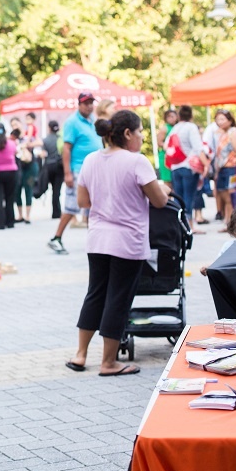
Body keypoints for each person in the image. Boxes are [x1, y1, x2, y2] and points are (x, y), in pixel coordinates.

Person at [65, 110, 170, 376]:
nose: (142, 137)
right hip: (127, 241)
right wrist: (163, 188)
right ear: (127, 134)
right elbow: (159, 201)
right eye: (140, 132)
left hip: (98, 238)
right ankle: (109, 362)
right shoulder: (137, 162)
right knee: (118, 298)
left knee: (95, 294)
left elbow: (83, 202)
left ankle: (80, 355)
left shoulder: (90, 160)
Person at [47, 92, 103, 254]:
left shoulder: (92, 119)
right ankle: (56, 238)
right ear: (79, 104)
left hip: (94, 170)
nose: (89, 106)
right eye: (86, 103)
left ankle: (95, 241)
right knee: (72, 206)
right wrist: (67, 173)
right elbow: (66, 148)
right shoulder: (72, 122)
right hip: (79, 170)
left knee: (92, 208)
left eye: (91, 103)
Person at [168, 105, 205, 234]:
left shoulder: (174, 129)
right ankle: (189, 226)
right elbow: (198, 148)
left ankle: (179, 225)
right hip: (189, 167)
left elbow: (167, 146)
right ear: (191, 115)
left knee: (178, 197)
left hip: (175, 167)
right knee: (189, 197)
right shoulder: (191, 127)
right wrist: (205, 165)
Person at [213, 109, 236, 231]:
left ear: (230, 120)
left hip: (232, 168)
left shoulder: (234, 132)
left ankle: (232, 223)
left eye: (222, 119)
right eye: (218, 119)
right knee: (224, 196)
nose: (219, 122)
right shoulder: (220, 133)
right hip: (222, 168)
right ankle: (228, 221)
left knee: (231, 196)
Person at [13, 127, 38, 224]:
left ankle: (27, 216)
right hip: (19, 169)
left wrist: (27, 144)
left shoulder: (30, 139)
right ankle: (20, 215)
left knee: (29, 189)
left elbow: (40, 142)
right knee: (17, 190)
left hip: (30, 169)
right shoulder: (13, 140)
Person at [41, 120, 64, 219]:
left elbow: (43, 153)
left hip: (49, 167)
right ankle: (56, 212)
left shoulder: (45, 140)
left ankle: (55, 211)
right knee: (56, 190)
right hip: (59, 166)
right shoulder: (61, 139)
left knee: (51, 189)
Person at [157, 109, 178, 186]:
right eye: (169, 117)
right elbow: (159, 142)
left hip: (175, 157)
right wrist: (170, 147)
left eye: (172, 116)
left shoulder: (177, 127)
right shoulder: (165, 128)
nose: (171, 118)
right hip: (166, 157)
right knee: (168, 181)